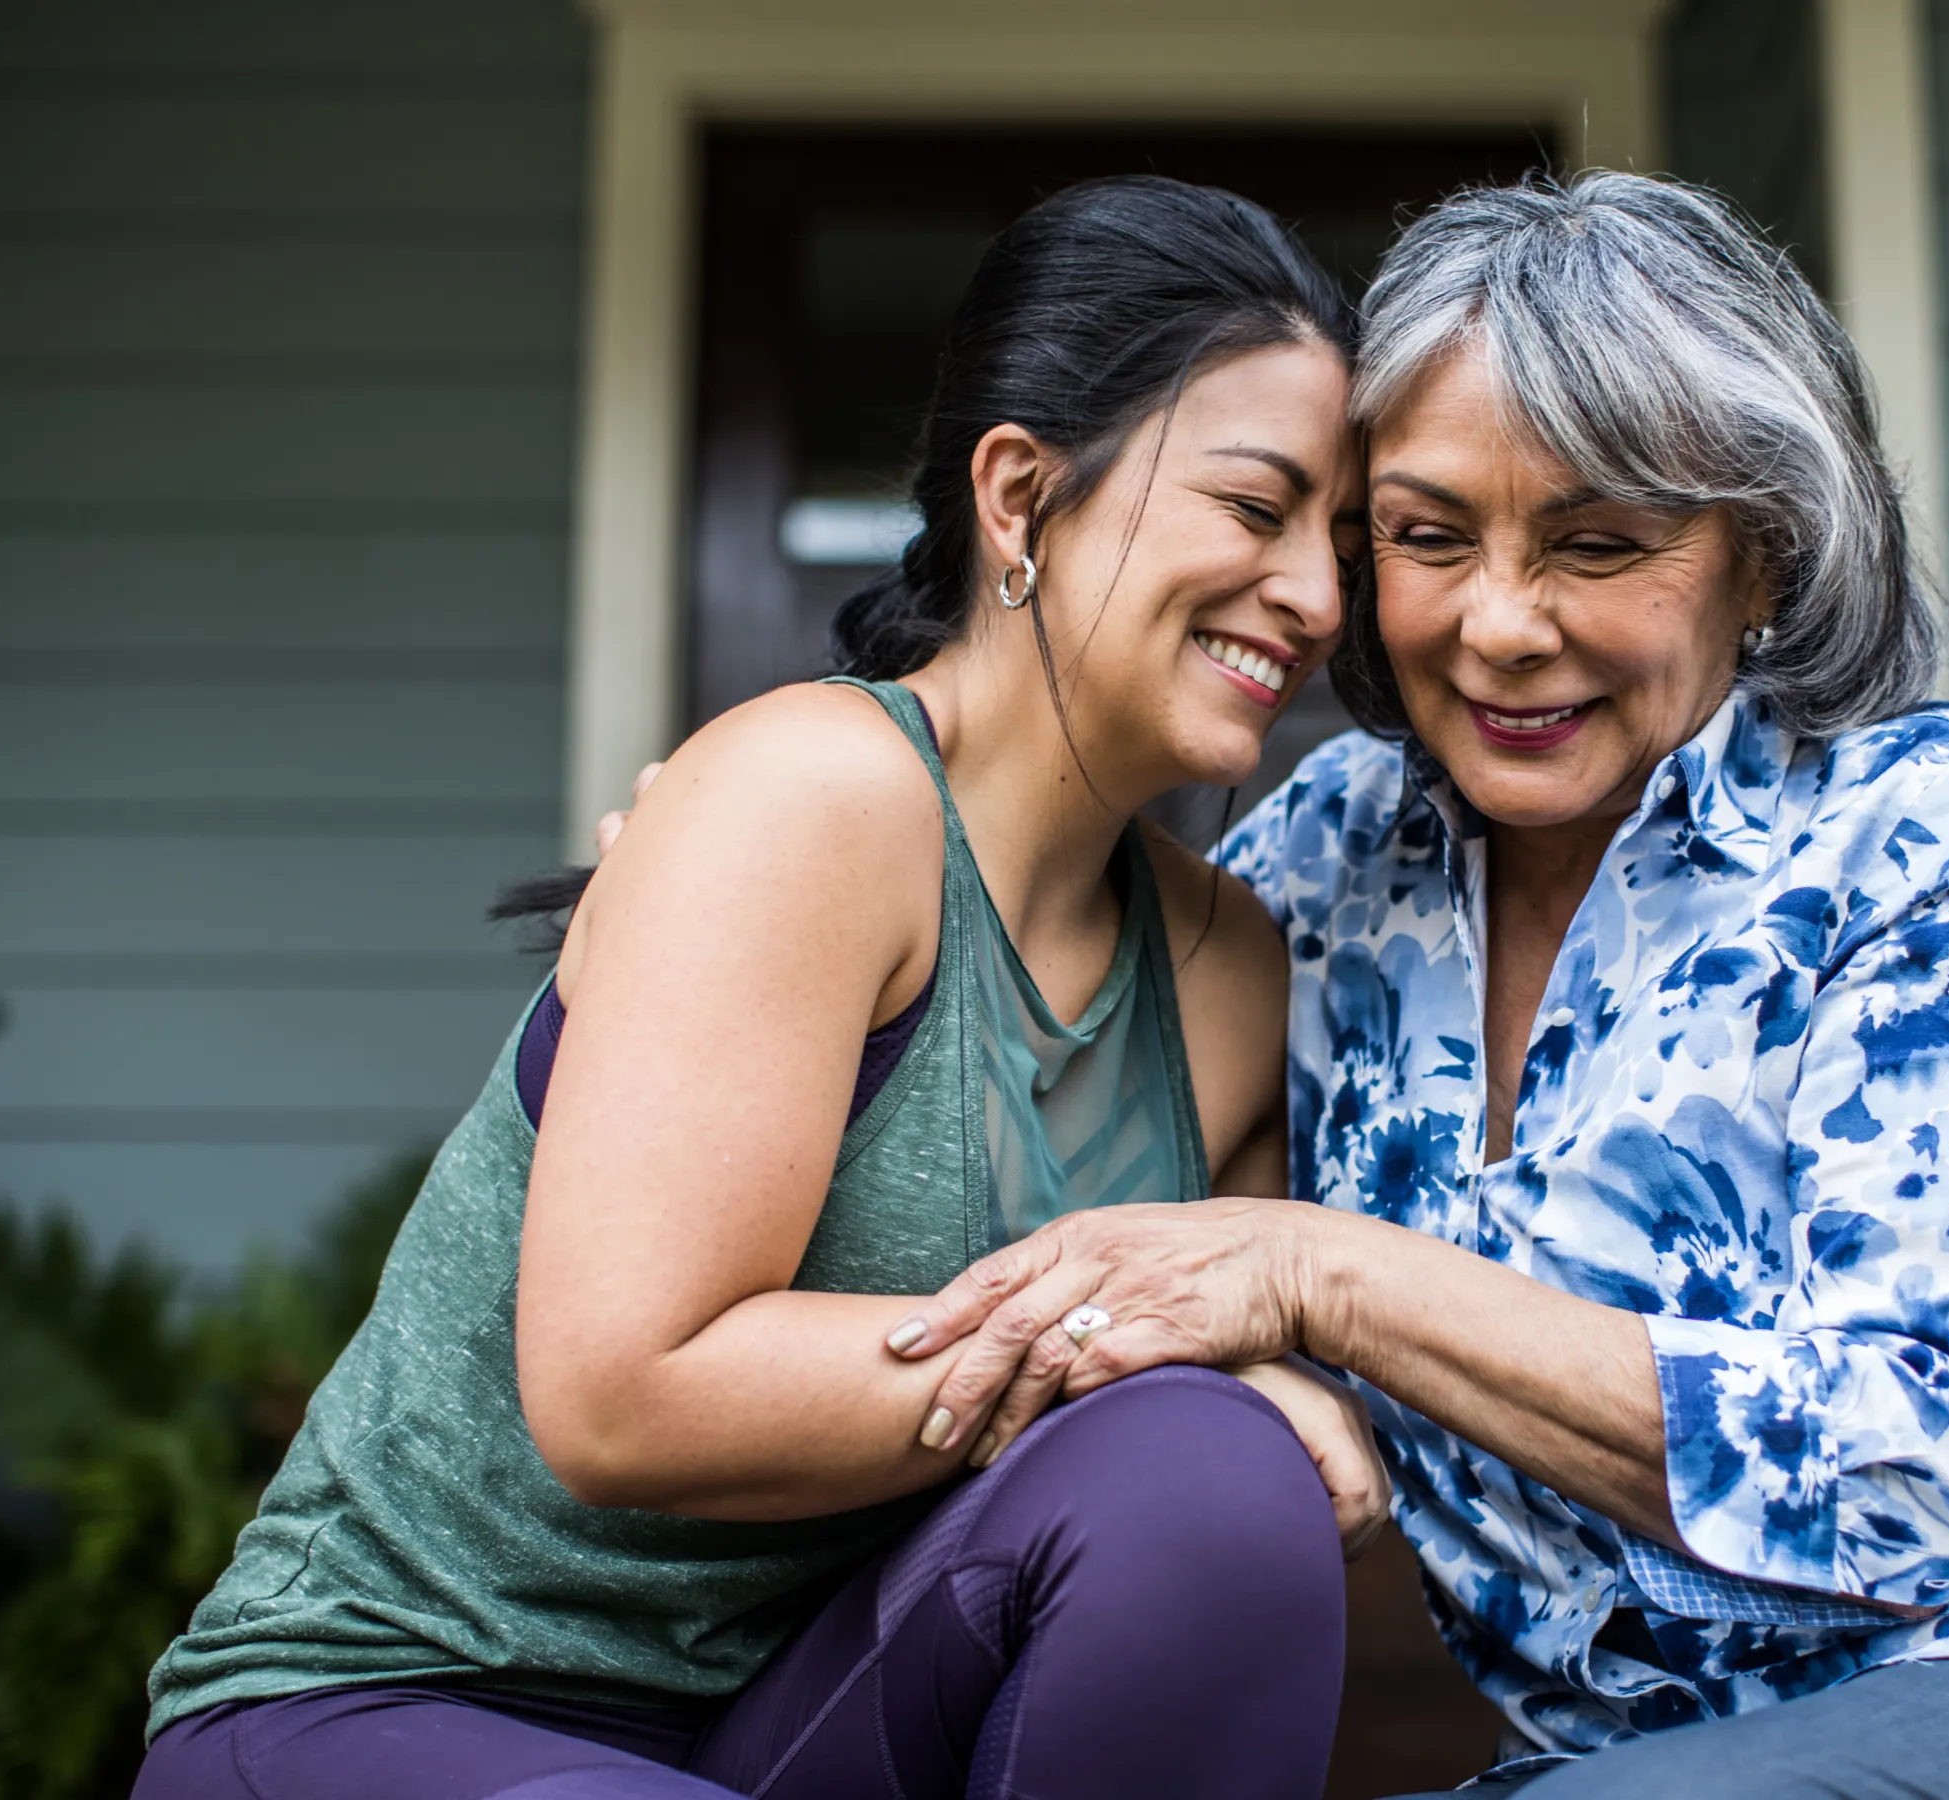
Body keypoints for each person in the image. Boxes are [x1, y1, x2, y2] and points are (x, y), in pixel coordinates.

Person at [879, 173, 1949, 1798]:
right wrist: (792, 872)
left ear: (1764, 560)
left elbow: (1912, 1473)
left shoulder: (1930, 829)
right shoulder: (1314, 869)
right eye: (1426, 537)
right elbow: (1075, 1162)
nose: (1504, 625)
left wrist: (1324, 1280)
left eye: (1600, 543)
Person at [131, 176, 1387, 1800]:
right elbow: (625, 1396)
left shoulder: (1224, 971)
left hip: (784, 1729)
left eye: (1343, 541)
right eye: (1255, 507)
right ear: (1022, 495)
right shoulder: (816, 798)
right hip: (396, 1707)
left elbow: (1239, 1417)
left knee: (1208, 1477)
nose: (1319, 596)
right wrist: (1123, 1345)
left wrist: (1258, 1386)